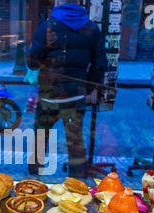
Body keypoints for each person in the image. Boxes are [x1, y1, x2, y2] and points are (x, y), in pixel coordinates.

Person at [27, 0, 108, 177]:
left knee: (40, 139)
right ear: (79, 3)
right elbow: (100, 64)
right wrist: (87, 88)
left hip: (49, 96)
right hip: (74, 97)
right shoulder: (91, 28)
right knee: (75, 141)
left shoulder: (47, 27)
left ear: (58, 3)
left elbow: (33, 63)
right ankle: (77, 185)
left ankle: (33, 181)